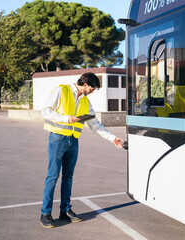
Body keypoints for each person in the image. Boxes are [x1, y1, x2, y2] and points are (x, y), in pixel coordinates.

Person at [40, 72, 124, 228]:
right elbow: (45, 111)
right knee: (52, 176)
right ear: (85, 84)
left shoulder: (86, 101)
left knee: (68, 176)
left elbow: (95, 125)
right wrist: (66, 118)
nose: (93, 92)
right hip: (57, 138)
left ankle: (65, 210)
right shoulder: (61, 90)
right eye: (92, 88)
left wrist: (113, 138)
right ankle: (45, 214)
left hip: (73, 140)